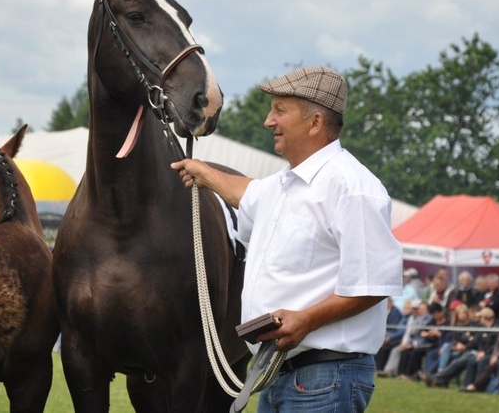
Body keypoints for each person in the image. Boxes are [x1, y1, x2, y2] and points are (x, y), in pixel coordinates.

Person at [171, 66, 404, 412]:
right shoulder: (285, 184)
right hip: (285, 373)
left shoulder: (352, 188)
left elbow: (375, 282)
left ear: (315, 123)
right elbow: (246, 193)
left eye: (280, 110)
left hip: (326, 376)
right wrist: (204, 172)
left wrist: (306, 320)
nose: (268, 121)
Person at [425, 307, 499, 388]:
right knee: (452, 356)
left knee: (459, 361)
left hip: (481, 353)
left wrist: (481, 351)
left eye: (480, 317)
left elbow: (493, 345)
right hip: (474, 351)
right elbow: (477, 341)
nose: (479, 319)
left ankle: (437, 378)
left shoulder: (496, 329)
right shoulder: (482, 328)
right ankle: (438, 379)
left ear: (486, 317)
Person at [375, 297, 407, 372]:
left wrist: (388, 337)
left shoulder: (395, 312)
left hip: (395, 339)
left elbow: (395, 329)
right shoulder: (387, 311)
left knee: (383, 348)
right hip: (388, 337)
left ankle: (380, 369)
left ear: (390, 303)